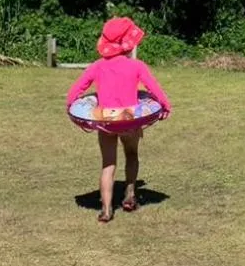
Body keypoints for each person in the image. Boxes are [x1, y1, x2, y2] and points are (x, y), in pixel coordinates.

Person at [66, 17, 171, 223]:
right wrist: (165, 105)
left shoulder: (97, 66)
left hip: (105, 121)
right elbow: (154, 88)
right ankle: (130, 194)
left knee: (108, 163)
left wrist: (71, 105)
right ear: (127, 44)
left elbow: (75, 90)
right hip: (129, 120)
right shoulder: (137, 66)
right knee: (131, 154)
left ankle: (106, 210)